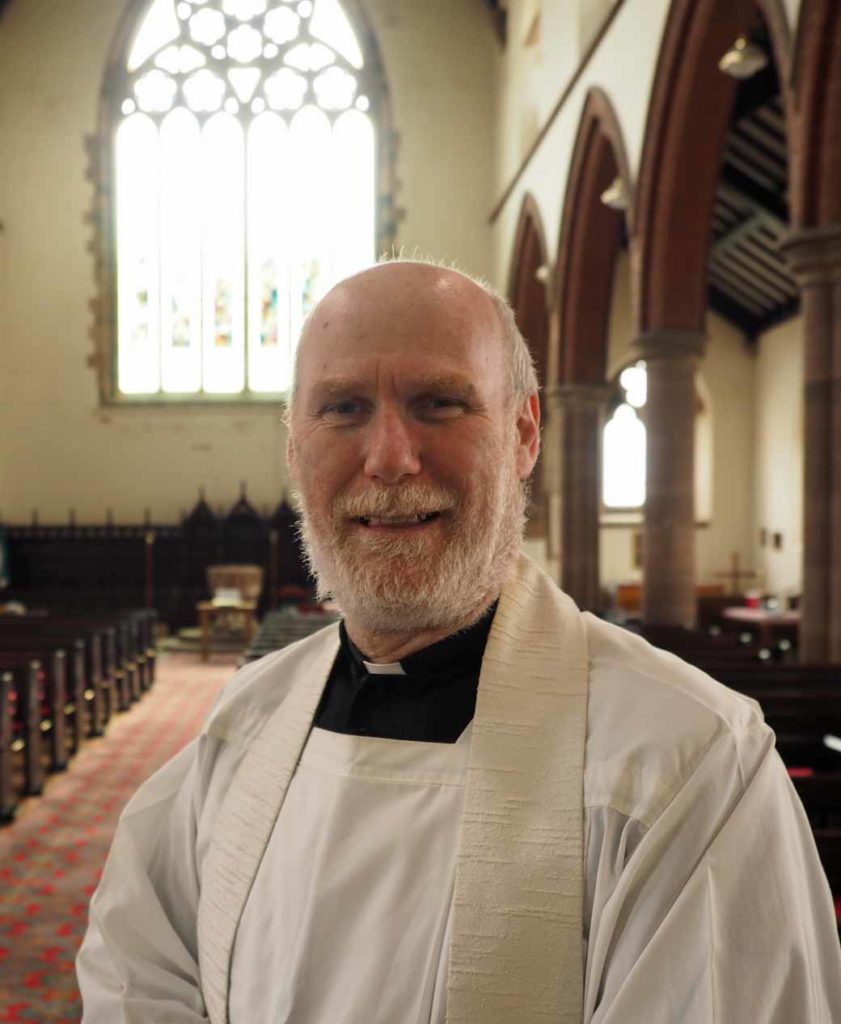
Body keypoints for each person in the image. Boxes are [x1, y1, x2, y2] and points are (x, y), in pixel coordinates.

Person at [77, 260, 841, 1023]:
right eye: (341, 408)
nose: (388, 459)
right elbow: (134, 966)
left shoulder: (685, 762)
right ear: (293, 452)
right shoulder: (247, 719)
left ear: (522, 435)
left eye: (438, 404)